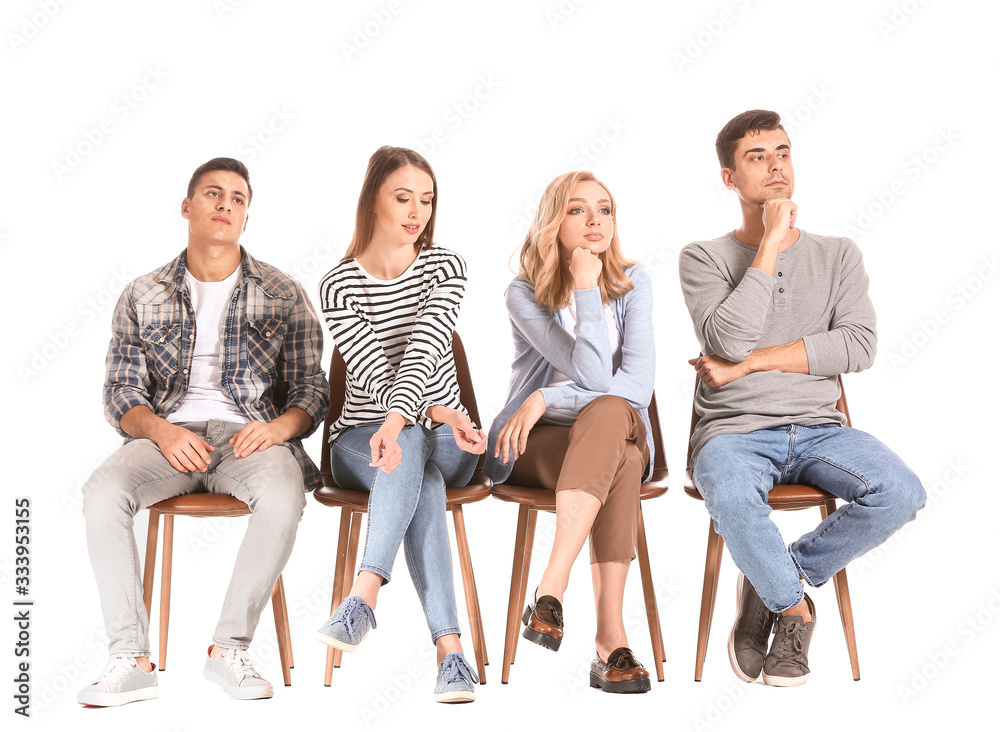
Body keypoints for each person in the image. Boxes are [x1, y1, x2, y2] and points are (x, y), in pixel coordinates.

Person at [679, 110, 926, 687]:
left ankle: (771, 582)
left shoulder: (839, 254)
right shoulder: (704, 257)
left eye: (783, 152)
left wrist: (758, 362)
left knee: (902, 493)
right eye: (757, 157)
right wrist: (768, 242)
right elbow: (727, 338)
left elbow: (859, 347)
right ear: (728, 178)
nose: (775, 167)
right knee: (734, 500)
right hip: (732, 433)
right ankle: (794, 609)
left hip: (821, 429)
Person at [78, 158, 329, 705]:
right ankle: (130, 657)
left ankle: (228, 649)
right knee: (102, 492)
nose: (226, 205)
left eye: (238, 199)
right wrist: (162, 432)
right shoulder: (142, 293)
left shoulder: (283, 292)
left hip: (250, 439)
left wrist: (280, 428)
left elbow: (313, 388)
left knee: (285, 493)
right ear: (187, 207)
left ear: (246, 217)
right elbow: (120, 393)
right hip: (167, 439)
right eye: (213, 194)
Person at [315, 146, 485, 703]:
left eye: (427, 200)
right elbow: (366, 368)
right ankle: (452, 652)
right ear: (374, 201)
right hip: (363, 440)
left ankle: (364, 594)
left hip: (447, 438)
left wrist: (423, 415)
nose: (417, 212)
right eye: (403, 197)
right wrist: (413, 413)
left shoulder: (444, 267)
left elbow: (427, 345)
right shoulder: (339, 284)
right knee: (418, 477)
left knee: (414, 444)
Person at [485, 171, 655, 694]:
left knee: (608, 416)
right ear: (553, 222)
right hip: (537, 442)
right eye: (578, 210)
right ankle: (611, 643)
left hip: (607, 421)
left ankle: (550, 590)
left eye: (604, 209)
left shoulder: (634, 281)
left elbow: (633, 390)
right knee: (620, 459)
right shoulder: (523, 293)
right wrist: (581, 286)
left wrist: (545, 396)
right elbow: (597, 378)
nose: (594, 220)